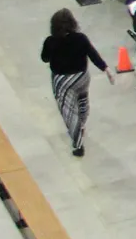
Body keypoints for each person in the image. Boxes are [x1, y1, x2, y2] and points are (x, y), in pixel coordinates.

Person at [39, 9, 111, 157]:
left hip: (63, 81)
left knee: (69, 111)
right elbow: (93, 54)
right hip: (82, 77)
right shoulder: (81, 38)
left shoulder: (51, 41)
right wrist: (106, 68)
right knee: (82, 100)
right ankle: (82, 123)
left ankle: (78, 145)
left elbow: (44, 58)